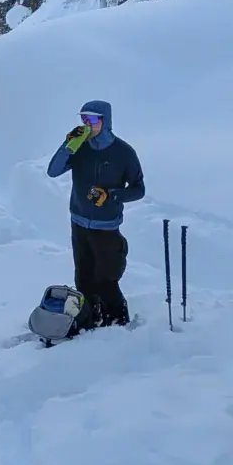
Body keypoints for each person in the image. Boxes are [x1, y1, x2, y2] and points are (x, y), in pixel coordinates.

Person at [46, 99, 145, 332]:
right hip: (79, 222)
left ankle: (119, 325)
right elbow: (53, 171)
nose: (86, 124)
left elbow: (139, 189)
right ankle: (91, 320)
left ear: (105, 120)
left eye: (91, 119)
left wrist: (111, 195)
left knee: (107, 281)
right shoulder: (79, 147)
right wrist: (68, 146)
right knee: (83, 278)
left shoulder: (123, 152)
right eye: (83, 119)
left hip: (106, 227)